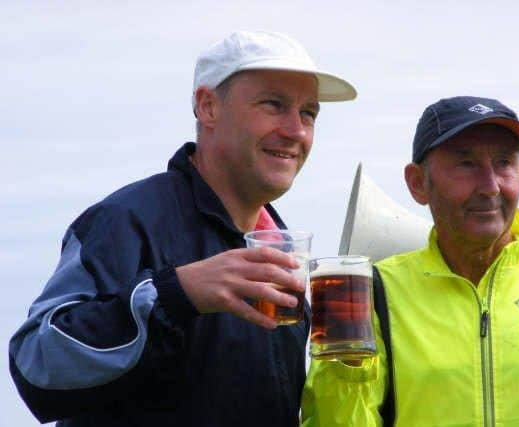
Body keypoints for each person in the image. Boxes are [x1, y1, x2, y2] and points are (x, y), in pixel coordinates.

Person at [9, 30, 356, 427]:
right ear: (208, 107)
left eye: (308, 113)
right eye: (273, 105)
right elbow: (35, 363)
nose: (296, 130)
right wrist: (176, 294)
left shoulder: (286, 252)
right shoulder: (126, 219)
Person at [301, 96, 519, 426]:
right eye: (466, 164)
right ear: (418, 183)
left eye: (504, 163)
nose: (490, 187)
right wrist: (340, 372)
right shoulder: (373, 294)